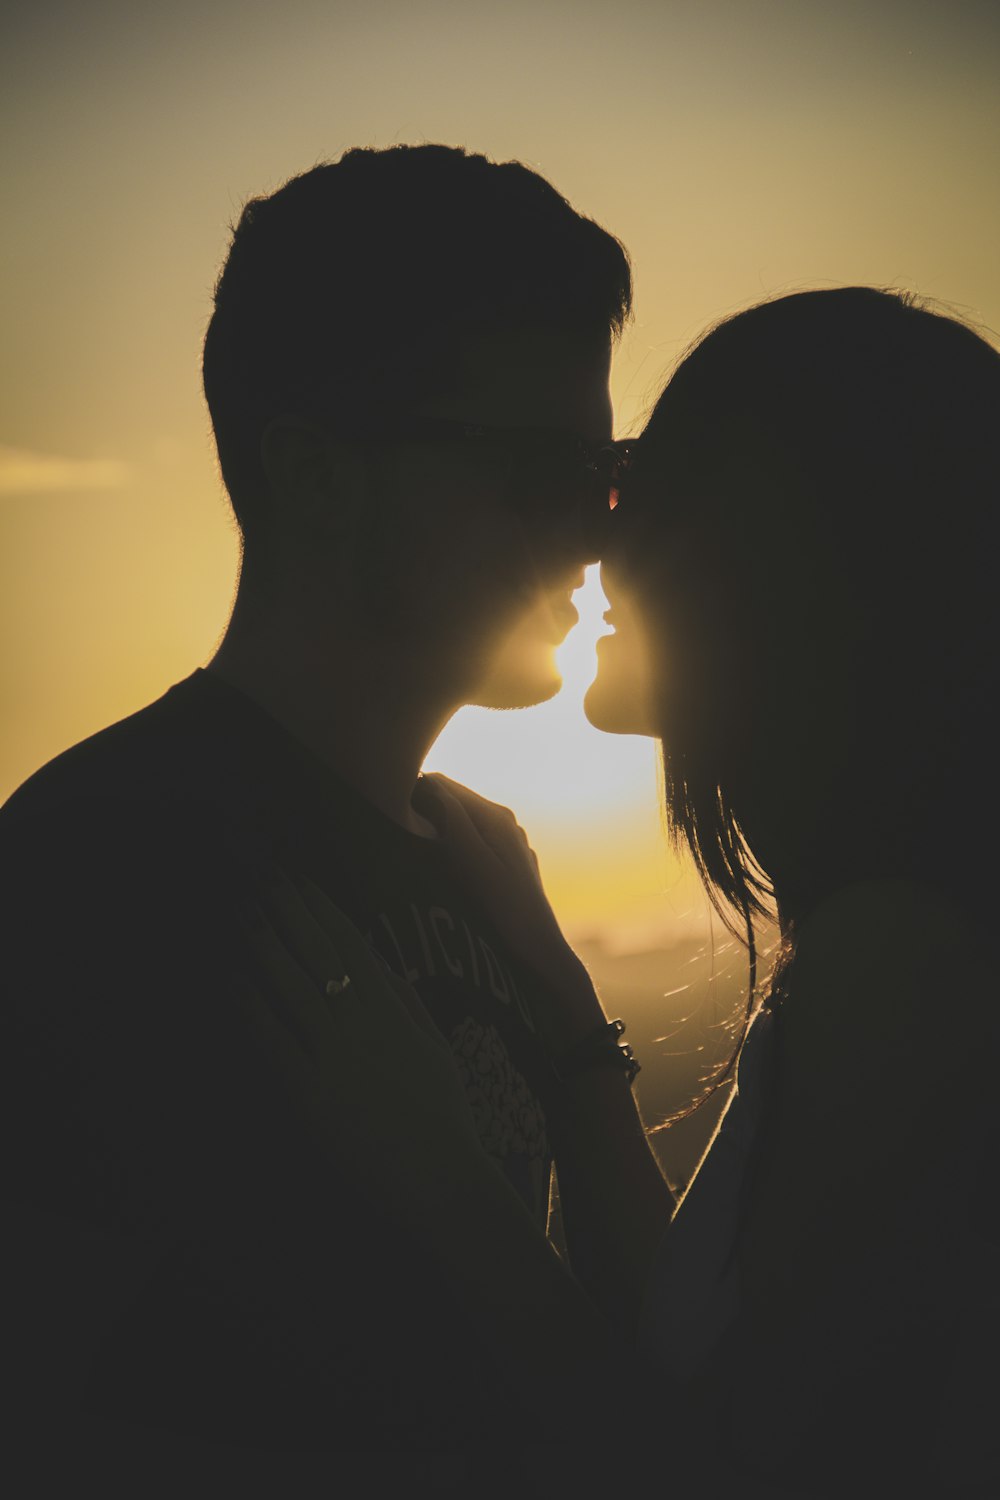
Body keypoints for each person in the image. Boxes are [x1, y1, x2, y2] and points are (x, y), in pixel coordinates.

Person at [244, 287, 1000, 1496]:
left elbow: (710, 1466)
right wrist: (564, 1012)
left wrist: (440, 1172)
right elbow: (702, 1343)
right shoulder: (883, 939)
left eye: (637, 480)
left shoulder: (902, 966)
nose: (593, 532)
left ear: (778, 551)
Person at [0, 144, 671, 1481]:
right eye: (541, 474)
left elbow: (663, 1380)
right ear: (315, 477)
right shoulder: (112, 861)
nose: (592, 536)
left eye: (611, 478)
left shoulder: (485, 866)